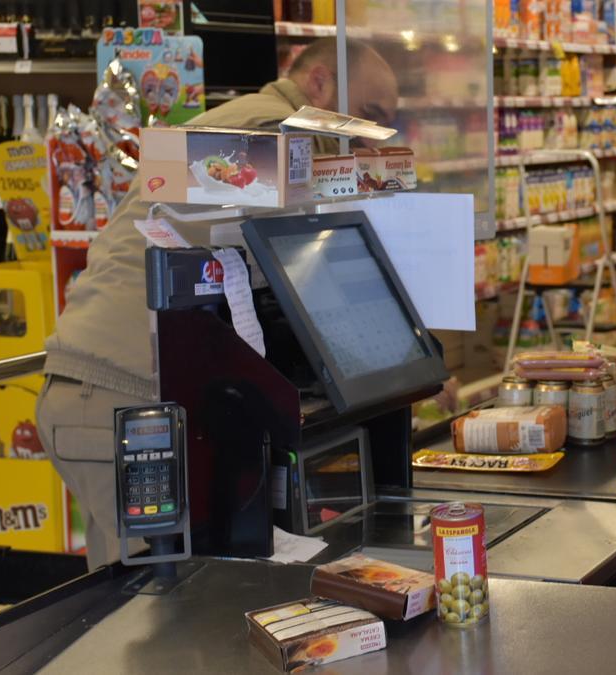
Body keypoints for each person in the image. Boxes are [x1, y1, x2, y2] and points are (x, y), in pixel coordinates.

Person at [35, 38, 398, 569]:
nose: (368, 137)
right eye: (368, 114)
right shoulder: (273, 133)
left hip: (126, 390)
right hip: (121, 393)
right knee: (154, 605)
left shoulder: (269, 131)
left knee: (148, 598)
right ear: (320, 82)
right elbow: (303, 275)